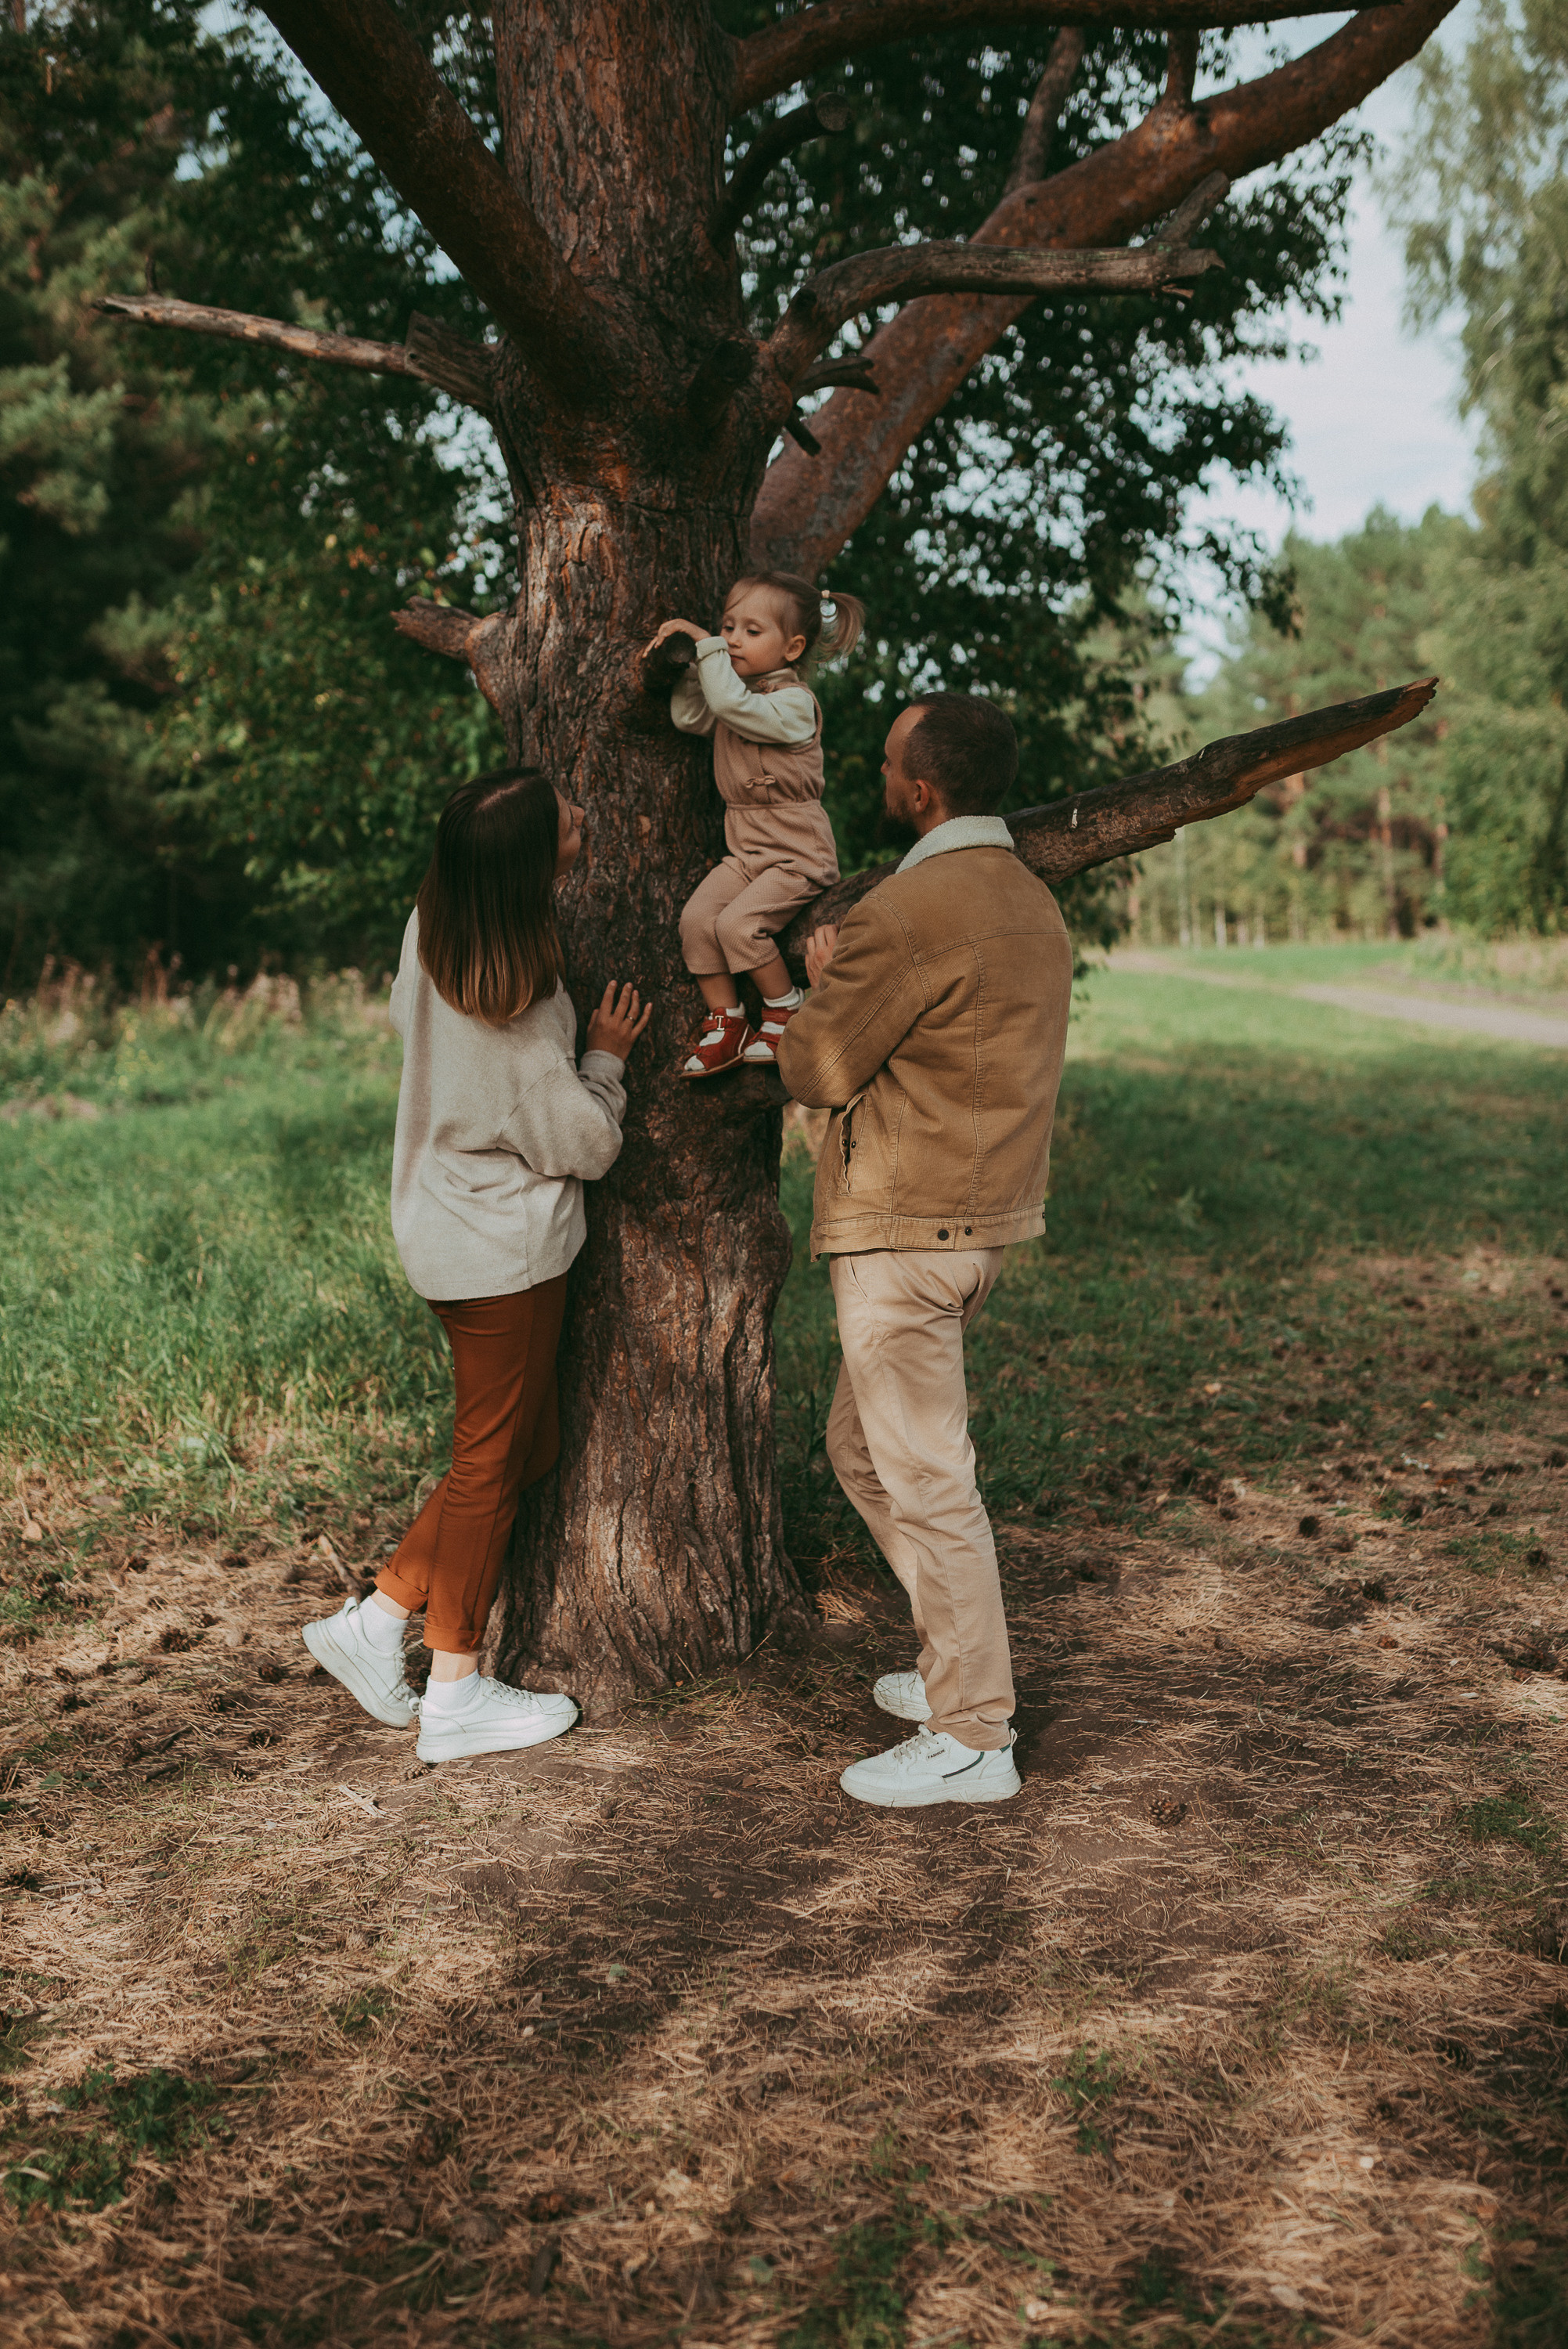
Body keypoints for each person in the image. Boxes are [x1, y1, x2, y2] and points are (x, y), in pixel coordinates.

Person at [301, 769, 652, 1764]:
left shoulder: (437, 928)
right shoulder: (518, 1014)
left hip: (447, 1234)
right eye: (562, 821)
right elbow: (583, 1144)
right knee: (491, 1462)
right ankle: (453, 1689)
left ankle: (374, 1624)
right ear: (528, 868)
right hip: (503, 1254)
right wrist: (608, 1059)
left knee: (521, 1448)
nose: (582, 815)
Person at [776, 695, 1072, 1808]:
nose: (882, 773)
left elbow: (814, 1069)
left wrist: (815, 974)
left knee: (929, 1482)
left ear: (920, 790)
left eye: (890, 761)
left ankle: (973, 1734)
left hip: (902, 1234)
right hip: (980, 1228)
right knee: (861, 1452)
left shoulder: (905, 910)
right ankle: (959, 1663)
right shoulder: (1030, 903)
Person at [645, 570, 864, 1078]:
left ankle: (786, 1009)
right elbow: (691, 715)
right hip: (745, 851)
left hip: (796, 852)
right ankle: (729, 1021)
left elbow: (726, 705)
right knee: (697, 922)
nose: (732, 640)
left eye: (751, 631)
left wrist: (706, 647)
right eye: (727, 626)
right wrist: (689, 666)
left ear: (792, 648)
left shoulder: (793, 705)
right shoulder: (736, 697)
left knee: (737, 926)